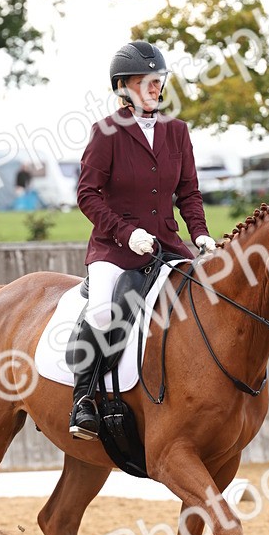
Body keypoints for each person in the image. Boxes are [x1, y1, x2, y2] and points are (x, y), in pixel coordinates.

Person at [69, 40, 216, 439]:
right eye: (145, 81)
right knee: (103, 312)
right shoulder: (106, 133)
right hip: (115, 248)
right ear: (123, 87)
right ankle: (84, 399)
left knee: (203, 302)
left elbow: (188, 193)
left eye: (158, 80)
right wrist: (125, 232)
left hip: (168, 244)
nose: (155, 87)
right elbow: (87, 195)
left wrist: (200, 234)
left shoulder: (177, 132)